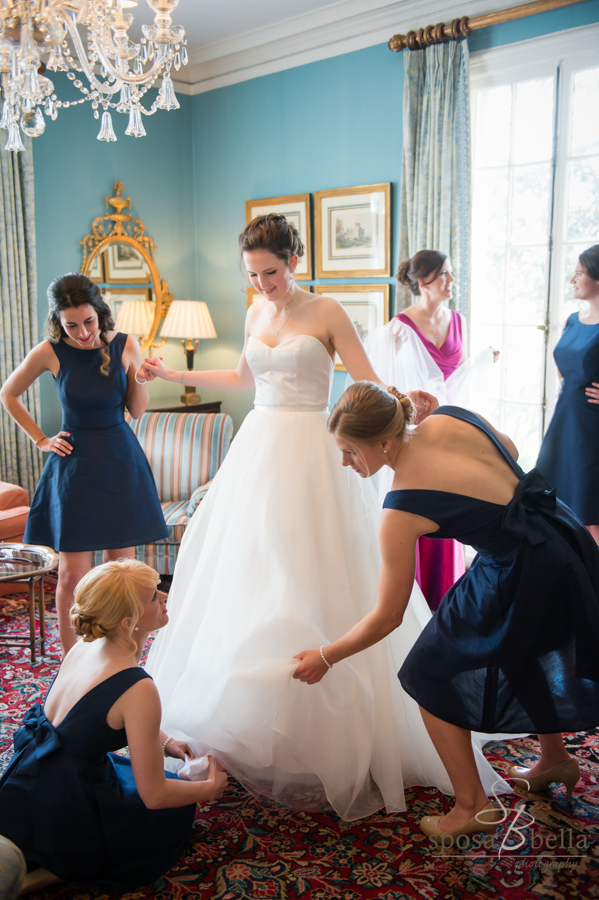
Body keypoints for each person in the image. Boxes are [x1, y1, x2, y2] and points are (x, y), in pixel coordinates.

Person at [136, 214, 508, 821]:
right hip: (258, 451)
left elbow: (367, 382)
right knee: (250, 572)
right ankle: (243, 716)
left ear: (295, 262)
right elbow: (239, 378)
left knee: (313, 570)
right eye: (253, 276)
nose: (263, 286)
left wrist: (408, 404)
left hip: (315, 452)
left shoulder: (328, 311)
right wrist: (173, 372)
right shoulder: (256, 312)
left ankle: (330, 718)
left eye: (272, 273)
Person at [294, 382, 599, 838]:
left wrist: (326, 656)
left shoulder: (400, 508)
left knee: (428, 674)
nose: (345, 463)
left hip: (516, 571)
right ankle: (554, 759)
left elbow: (388, 616)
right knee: (521, 649)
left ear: (383, 441)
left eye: (349, 451)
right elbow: (511, 450)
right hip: (559, 538)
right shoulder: (449, 416)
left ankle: (472, 805)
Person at [0, 559, 228, 894]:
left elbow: (91, 716)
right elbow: (155, 796)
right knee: (173, 812)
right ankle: (62, 866)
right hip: (66, 801)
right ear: (128, 621)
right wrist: (209, 790)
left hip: (26, 779)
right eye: (153, 597)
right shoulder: (138, 686)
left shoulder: (85, 646)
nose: (165, 595)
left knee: (153, 780)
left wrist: (166, 743)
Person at [0, 273, 168, 654]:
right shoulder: (50, 350)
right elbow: (8, 393)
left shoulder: (126, 344)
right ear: (59, 321)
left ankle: (121, 655)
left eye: (88, 322)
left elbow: (137, 411)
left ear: (100, 313)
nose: (82, 332)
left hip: (119, 464)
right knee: (72, 574)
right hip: (73, 470)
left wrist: (141, 377)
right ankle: (73, 659)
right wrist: (41, 439)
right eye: (71, 325)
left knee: (122, 573)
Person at [366, 250, 494, 610]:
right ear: (422, 281)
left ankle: (445, 600)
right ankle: (410, 603)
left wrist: (483, 362)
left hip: (448, 428)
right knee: (416, 506)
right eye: (443, 276)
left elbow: (459, 379)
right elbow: (385, 388)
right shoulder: (397, 328)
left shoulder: (459, 321)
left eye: (451, 275)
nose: (451, 282)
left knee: (449, 506)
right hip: (412, 434)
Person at [537, 245, 599, 546]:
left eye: (579, 274)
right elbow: (564, 366)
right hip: (564, 423)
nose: (572, 280)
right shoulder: (573, 320)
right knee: (553, 505)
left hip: (592, 430)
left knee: (590, 516)